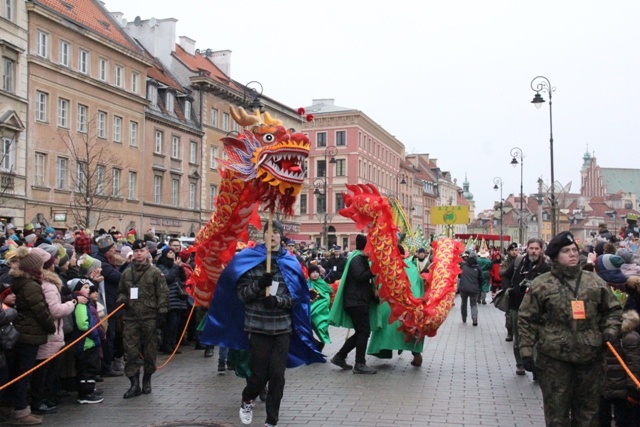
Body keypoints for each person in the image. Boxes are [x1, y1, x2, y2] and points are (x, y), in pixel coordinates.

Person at [199, 220, 324, 427]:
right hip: (257, 327)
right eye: (268, 232)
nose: (272, 236)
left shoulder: (291, 262)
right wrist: (259, 285)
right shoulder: (250, 260)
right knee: (258, 375)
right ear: (263, 236)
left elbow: (297, 299)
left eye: (276, 232)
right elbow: (241, 295)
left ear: (280, 237)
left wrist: (278, 300)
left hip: (282, 327)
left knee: (277, 375)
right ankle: (247, 399)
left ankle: (271, 420)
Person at [518, 231, 623, 426]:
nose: (573, 254)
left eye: (574, 250)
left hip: (590, 358)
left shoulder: (595, 282)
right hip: (554, 360)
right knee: (557, 415)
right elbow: (526, 319)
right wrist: (526, 351)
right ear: (556, 256)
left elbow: (613, 311)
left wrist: (610, 331)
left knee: (589, 416)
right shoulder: (542, 284)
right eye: (566, 251)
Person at [7, 247, 56, 425]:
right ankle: (21, 410)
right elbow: (40, 311)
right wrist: (51, 327)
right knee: (24, 373)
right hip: (29, 333)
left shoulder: (22, 282)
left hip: (25, 331)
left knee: (20, 371)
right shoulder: (31, 285)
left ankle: (18, 406)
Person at [116, 239, 169, 399]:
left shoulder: (155, 273)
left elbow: (163, 293)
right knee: (131, 351)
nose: (139, 254)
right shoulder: (126, 273)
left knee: (150, 351)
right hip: (131, 318)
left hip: (150, 317)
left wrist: (162, 313)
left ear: (147, 252)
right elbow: (121, 291)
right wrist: (122, 300)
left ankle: (147, 379)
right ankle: (134, 383)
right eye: (136, 251)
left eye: (142, 251)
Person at [367, 245, 425, 366]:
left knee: (386, 328)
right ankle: (416, 354)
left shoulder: (389, 267)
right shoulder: (412, 267)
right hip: (410, 306)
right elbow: (419, 284)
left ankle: (383, 349)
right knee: (410, 329)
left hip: (390, 306)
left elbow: (379, 283)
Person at [329, 234, 378, 374]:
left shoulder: (361, 259)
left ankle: (340, 357)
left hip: (358, 301)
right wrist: (374, 270)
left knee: (361, 332)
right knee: (364, 331)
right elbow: (361, 277)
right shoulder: (356, 259)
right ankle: (360, 363)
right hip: (356, 302)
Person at [503, 238, 551, 375]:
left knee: (537, 339)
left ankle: (536, 368)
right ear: (527, 248)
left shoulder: (546, 268)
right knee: (518, 338)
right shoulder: (519, 263)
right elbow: (505, 276)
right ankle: (520, 364)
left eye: (537, 249)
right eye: (531, 248)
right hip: (517, 305)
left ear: (541, 250)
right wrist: (509, 289)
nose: (534, 251)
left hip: (538, 309)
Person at [601, 309, 640, 427]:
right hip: (623, 391)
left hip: (606, 389)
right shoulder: (631, 337)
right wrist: (634, 392)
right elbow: (634, 366)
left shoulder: (605, 335)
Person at [307, 264, 333, 352]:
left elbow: (328, 294)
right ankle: (316, 344)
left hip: (322, 311)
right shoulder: (308, 284)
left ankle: (321, 343)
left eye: (316, 272)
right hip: (311, 309)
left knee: (321, 327)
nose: (315, 274)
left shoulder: (322, 282)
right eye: (312, 272)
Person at [457, 252, 482, 326]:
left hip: (463, 288)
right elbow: (481, 279)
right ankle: (474, 318)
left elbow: (458, 274)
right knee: (473, 304)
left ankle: (464, 317)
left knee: (463, 303)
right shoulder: (478, 268)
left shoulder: (463, 266)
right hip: (474, 289)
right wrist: (479, 287)